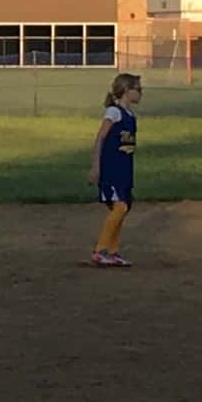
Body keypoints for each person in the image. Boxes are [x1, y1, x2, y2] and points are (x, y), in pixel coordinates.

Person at [87, 73, 142, 267]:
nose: (141, 93)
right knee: (120, 207)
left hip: (124, 169)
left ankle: (112, 251)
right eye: (138, 89)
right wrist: (96, 167)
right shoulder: (114, 112)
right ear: (127, 91)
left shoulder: (129, 115)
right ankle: (100, 250)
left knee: (124, 207)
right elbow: (100, 138)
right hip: (111, 169)